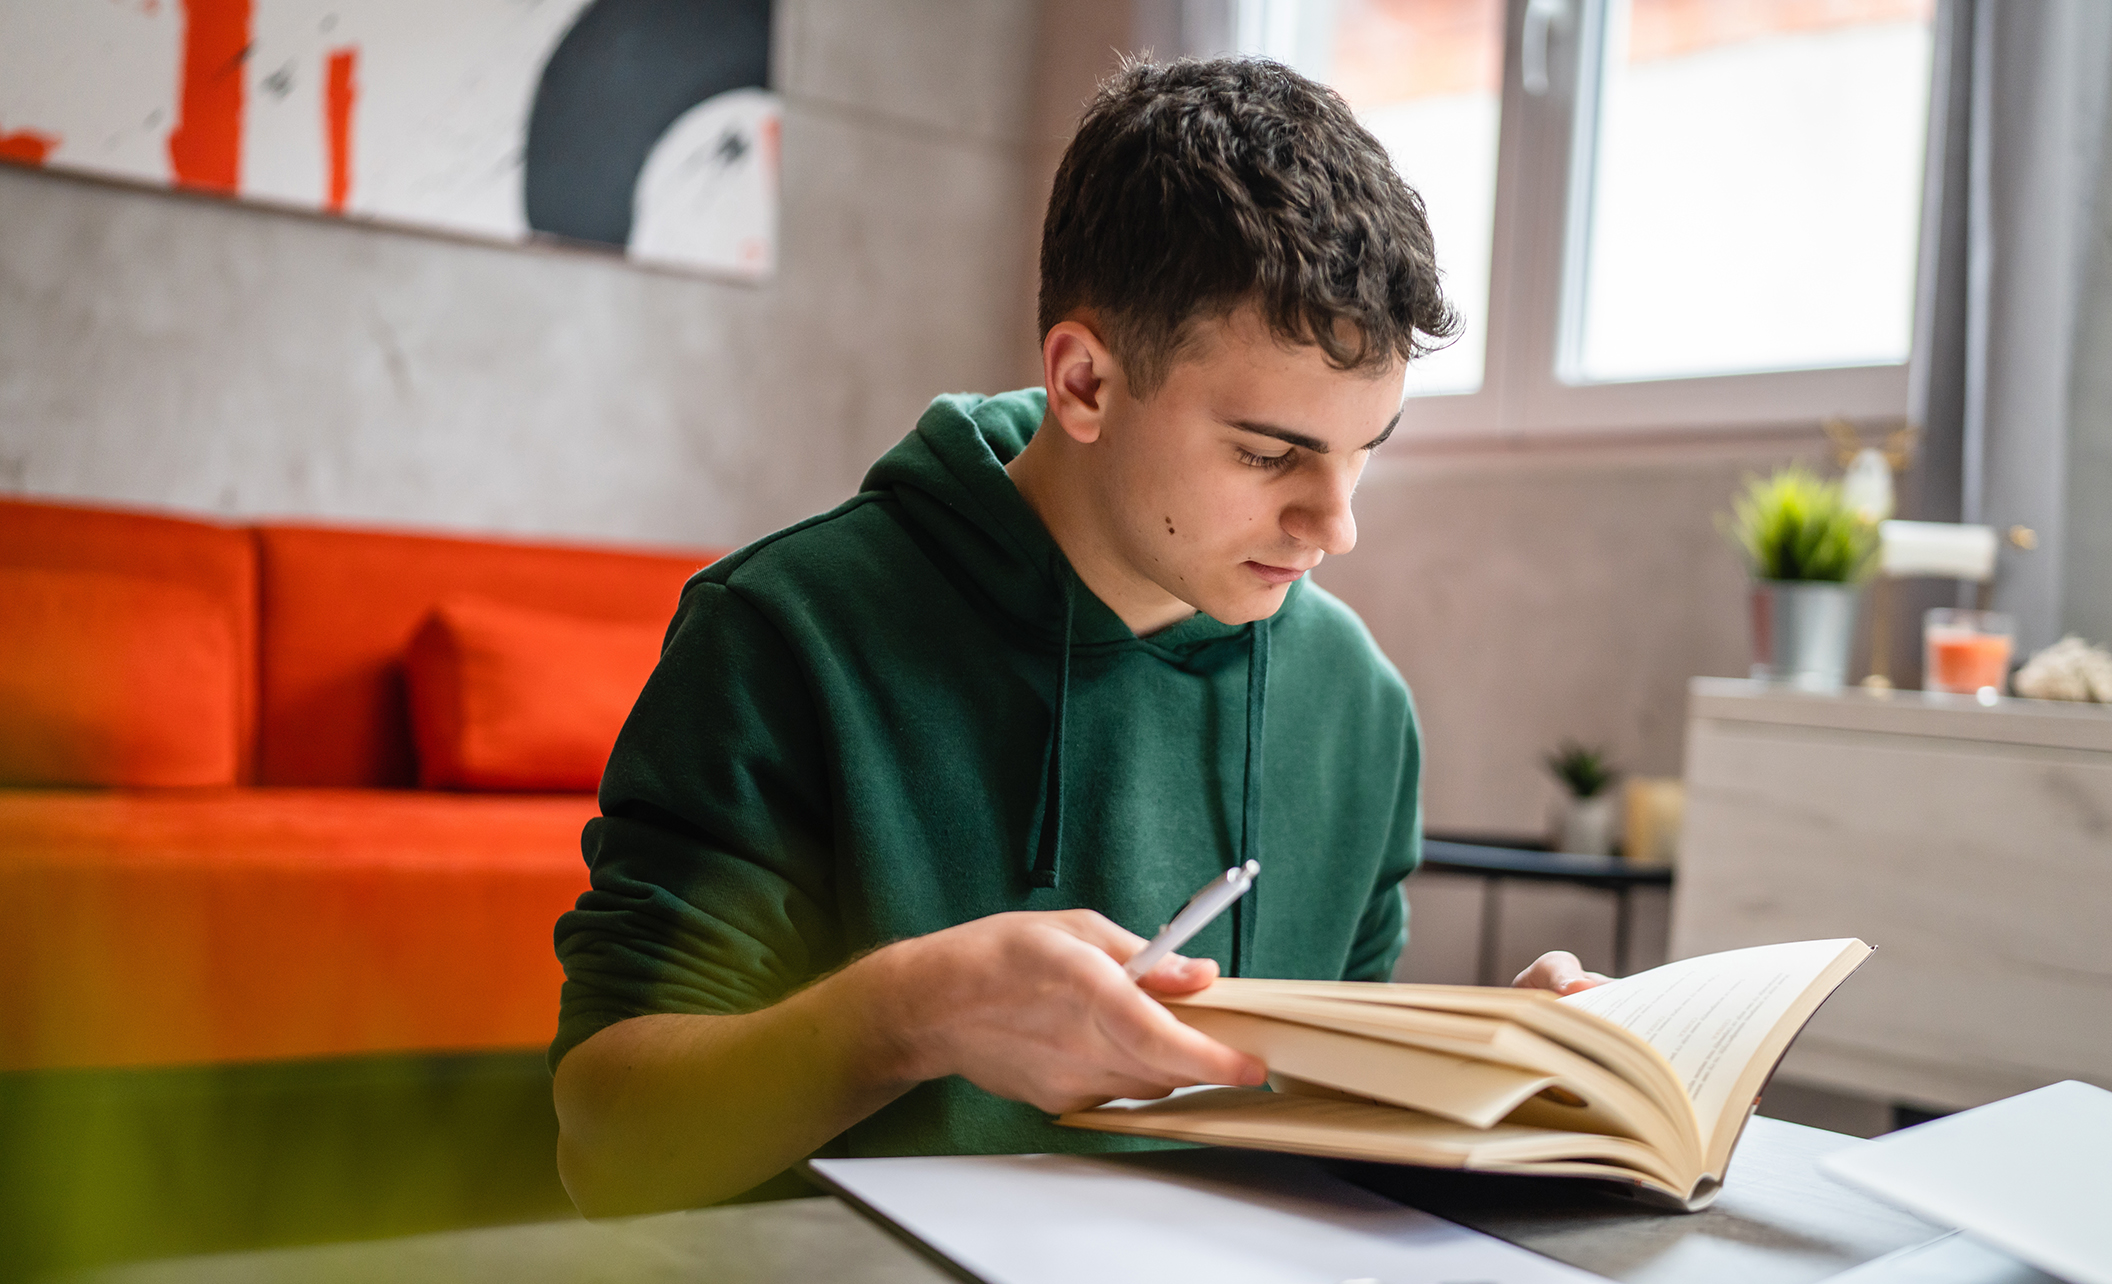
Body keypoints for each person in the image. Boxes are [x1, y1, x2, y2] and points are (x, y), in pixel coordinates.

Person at [548, 56, 1606, 1217]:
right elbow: (609, 1141)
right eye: (1268, 453)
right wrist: (908, 1011)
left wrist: (1500, 1081)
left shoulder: (1355, 704)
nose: (1335, 525)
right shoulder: (782, 634)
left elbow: (1315, 1125)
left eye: (1367, 452)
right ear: (1086, 380)